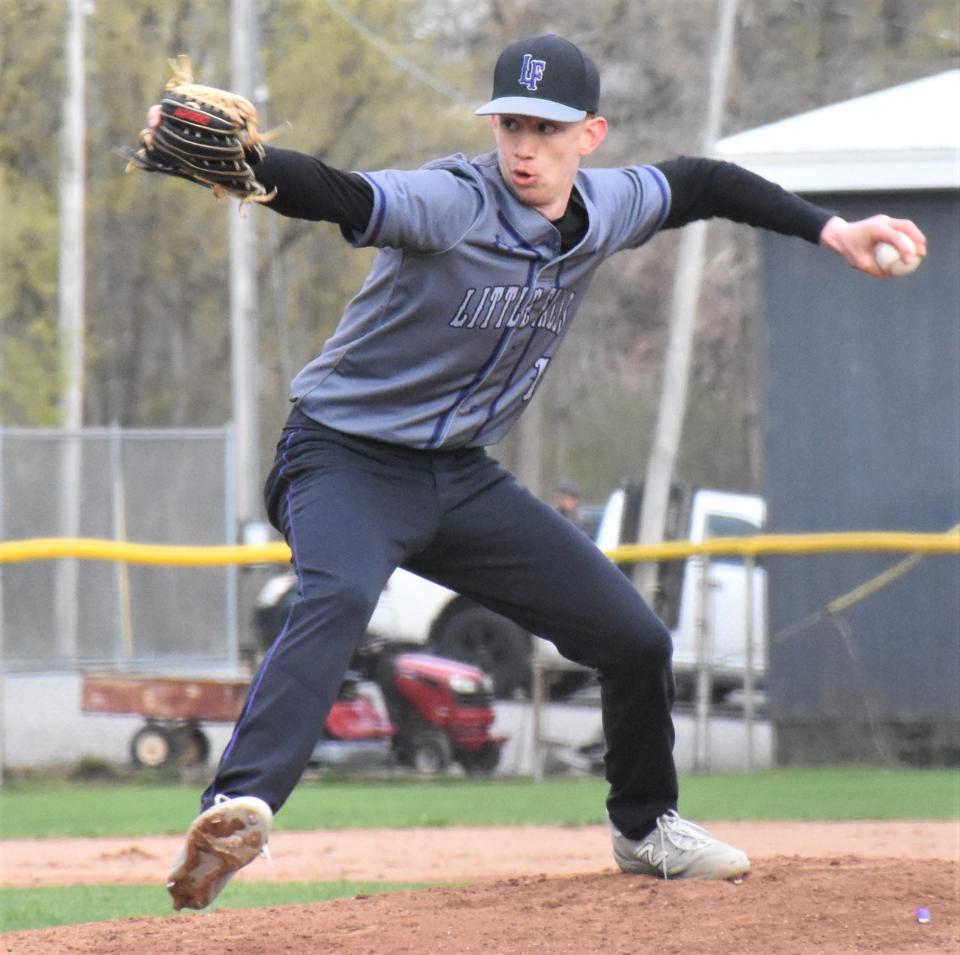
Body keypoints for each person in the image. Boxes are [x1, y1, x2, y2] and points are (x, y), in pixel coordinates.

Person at [163, 34, 927, 910]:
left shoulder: (609, 206)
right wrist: (257, 167)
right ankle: (238, 805)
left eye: (547, 128)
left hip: (459, 476)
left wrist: (831, 228)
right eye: (511, 124)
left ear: (590, 135)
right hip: (343, 457)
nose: (523, 146)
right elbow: (346, 191)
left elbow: (707, 183)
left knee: (635, 639)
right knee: (336, 596)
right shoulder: (451, 201)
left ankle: (648, 829)